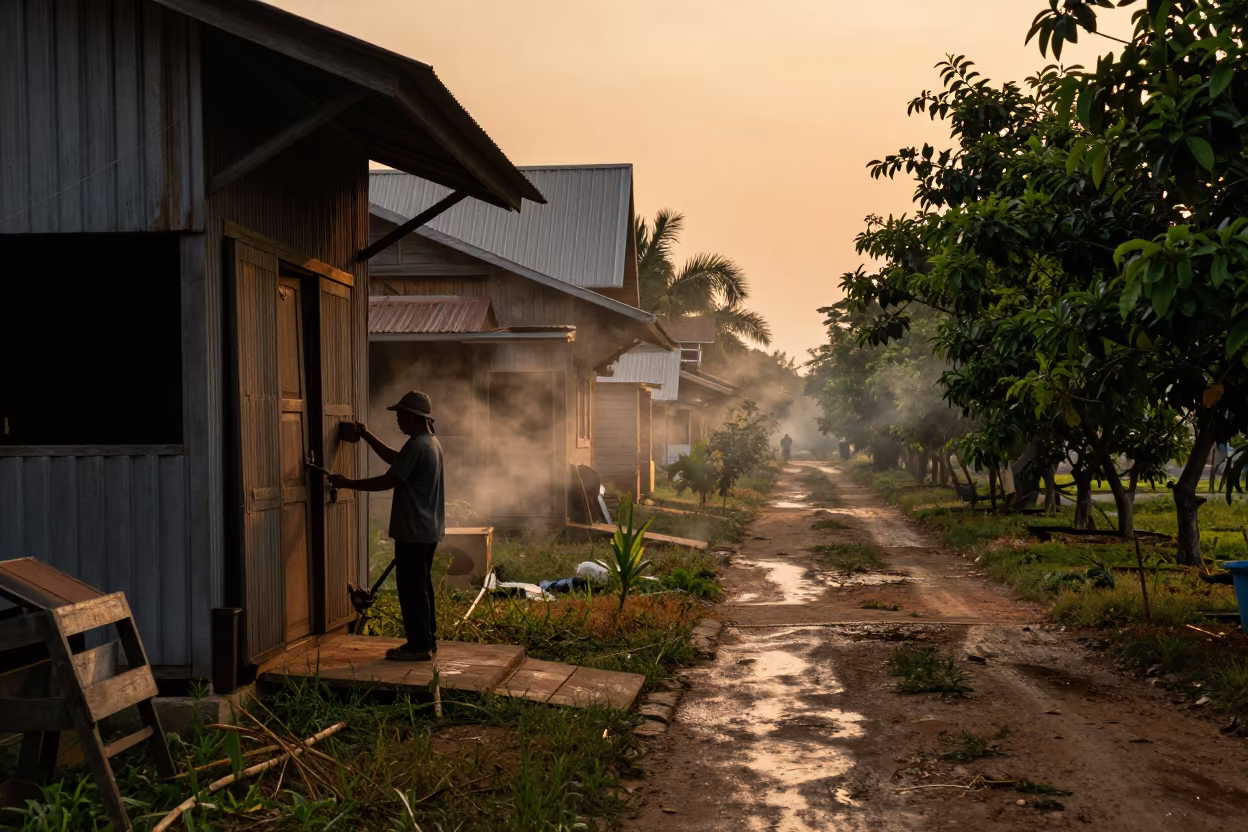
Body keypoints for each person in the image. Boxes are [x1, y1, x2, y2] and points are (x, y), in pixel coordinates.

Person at [330, 391, 444, 662]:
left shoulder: (417, 446)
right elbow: (398, 460)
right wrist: (367, 435)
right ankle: (428, 640)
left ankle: (418, 647)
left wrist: (346, 483)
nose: (398, 420)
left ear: (415, 417)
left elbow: (388, 480)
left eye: (401, 415)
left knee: (411, 588)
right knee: (422, 585)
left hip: (413, 530)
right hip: (427, 529)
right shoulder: (429, 443)